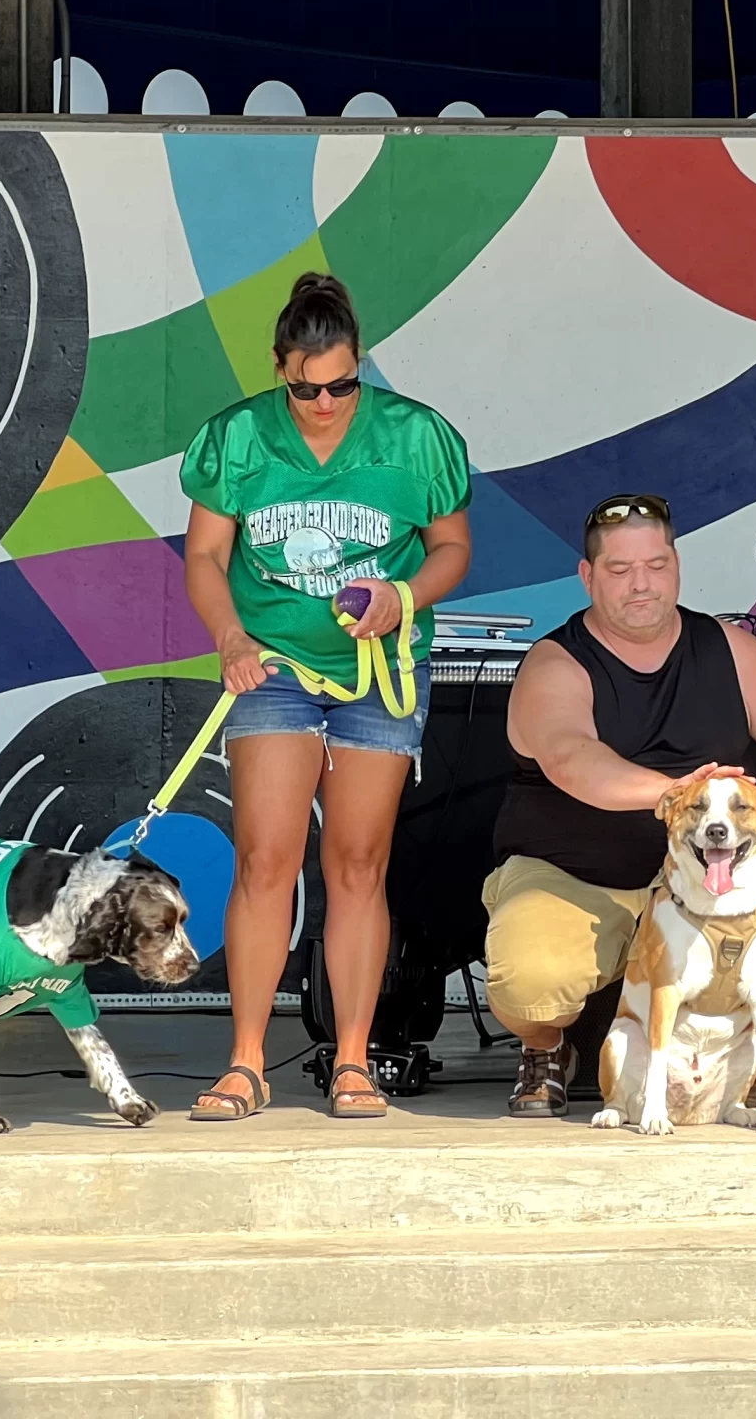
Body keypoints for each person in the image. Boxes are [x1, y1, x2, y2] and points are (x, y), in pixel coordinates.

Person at [180, 273, 473, 1122]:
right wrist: (231, 639)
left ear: (361, 368)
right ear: (279, 370)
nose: (323, 401)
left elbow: (452, 546)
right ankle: (244, 1062)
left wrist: (404, 597)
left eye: (342, 385)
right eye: (305, 387)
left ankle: (352, 1061)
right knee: (267, 858)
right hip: (270, 667)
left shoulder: (417, 436)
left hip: (377, 674)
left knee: (356, 864)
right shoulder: (235, 439)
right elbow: (204, 557)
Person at [484, 494, 756, 1122]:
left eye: (656, 565)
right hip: (576, 876)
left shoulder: (731, 647)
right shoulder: (553, 661)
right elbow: (571, 760)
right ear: (588, 577)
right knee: (530, 985)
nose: (641, 584)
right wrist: (680, 794)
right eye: (619, 570)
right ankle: (544, 1052)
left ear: (676, 564)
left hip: (712, 873)